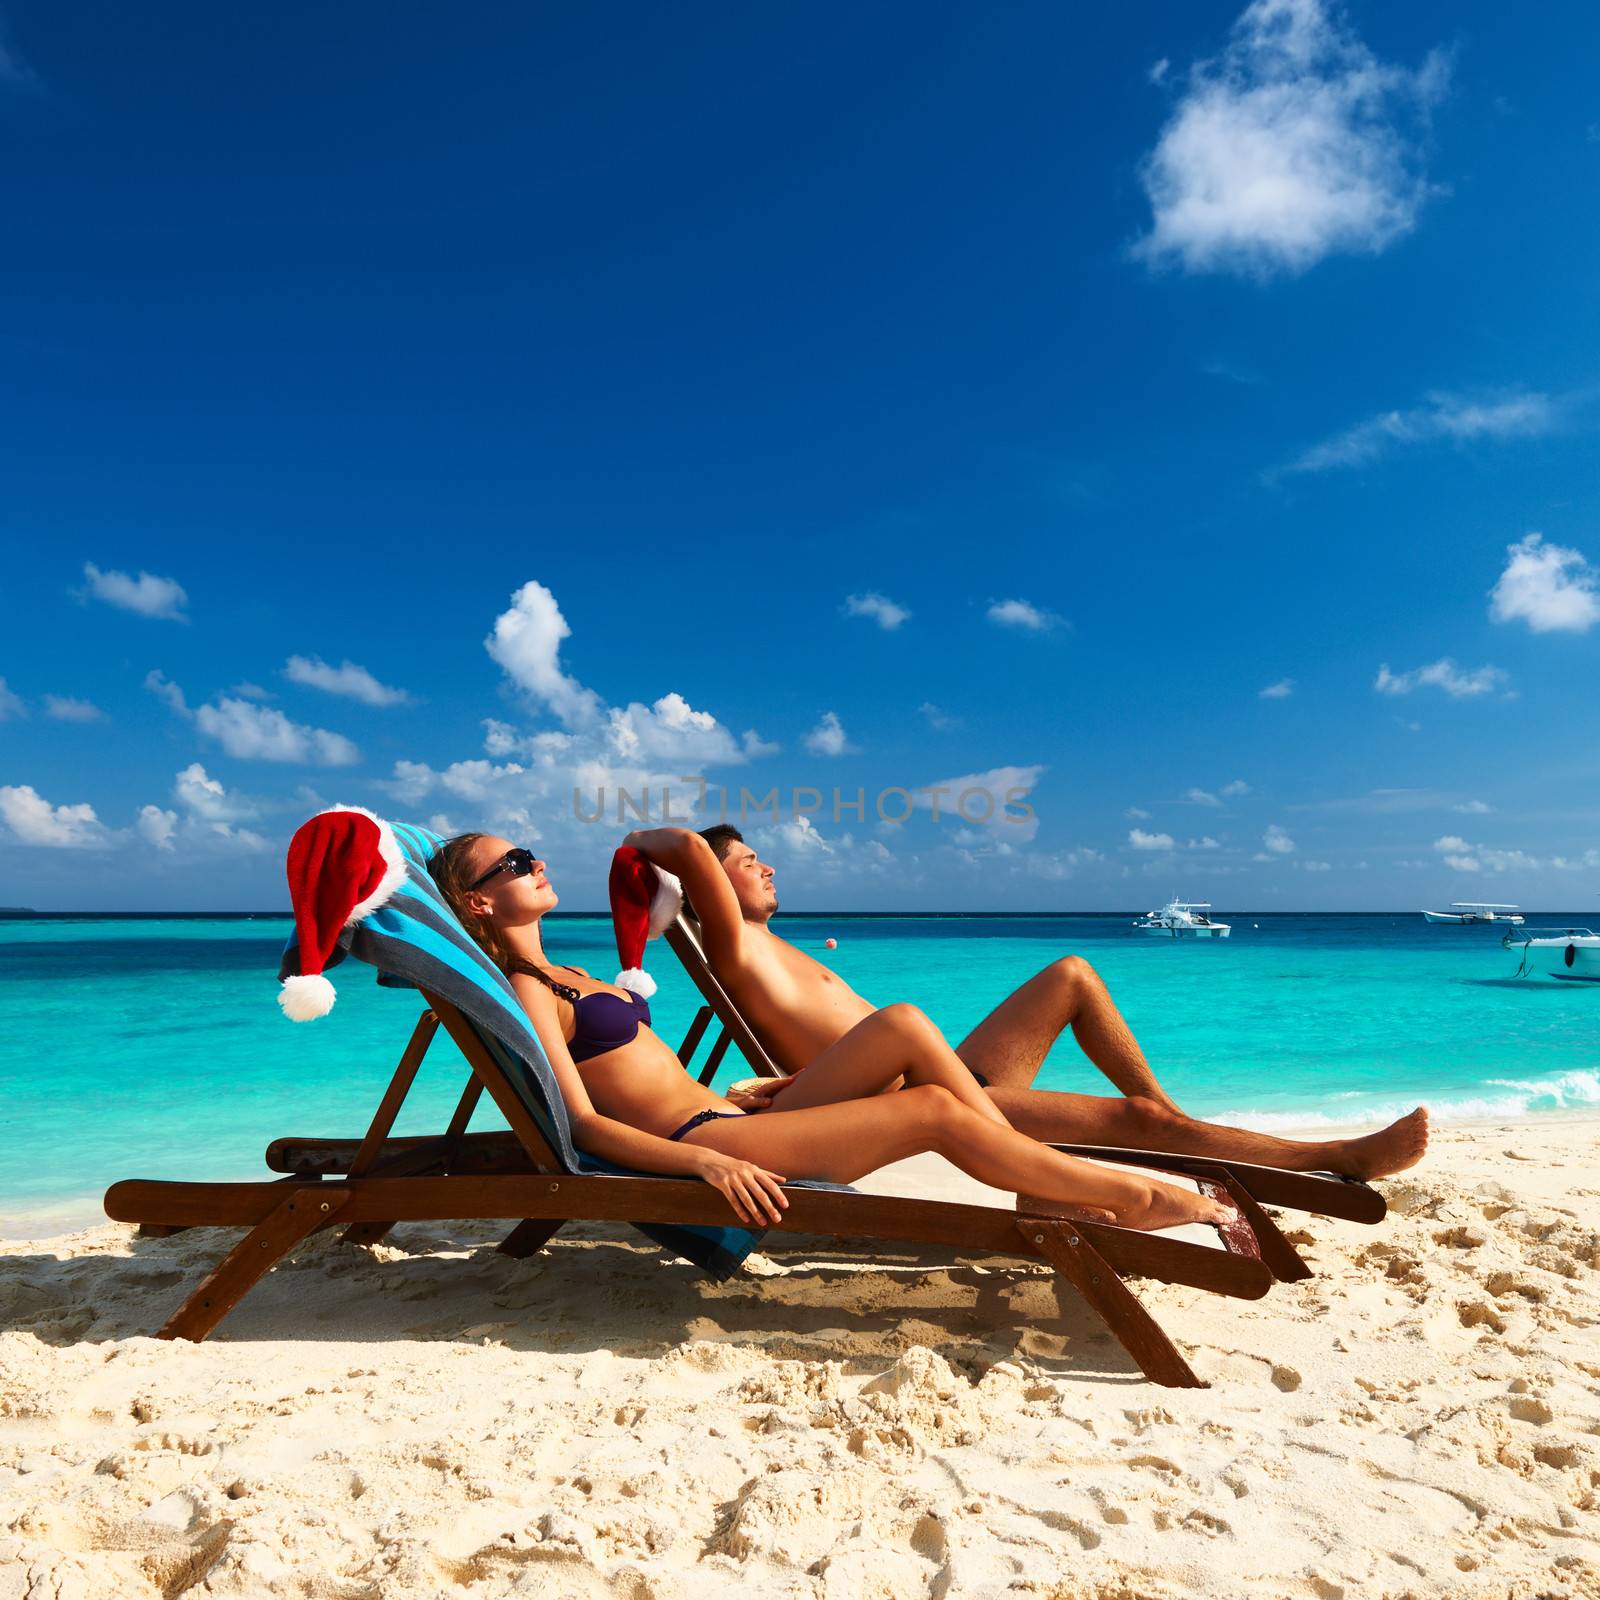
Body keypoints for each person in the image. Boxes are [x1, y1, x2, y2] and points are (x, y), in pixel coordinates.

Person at [426, 832, 1238, 1233]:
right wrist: (706, 1159)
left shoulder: (582, 978)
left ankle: (1048, 1182)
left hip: (740, 1117)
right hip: (714, 1144)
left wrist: (755, 1092)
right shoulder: (532, 989)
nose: (534, 863)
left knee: (905, 1026)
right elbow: (584, 1124)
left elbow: (646, 1073)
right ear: (479, 905)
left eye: (529, 852)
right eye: (514, 862)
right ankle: (1124, 1192)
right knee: (937, 1113)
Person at [622, 825, 1430, 1181]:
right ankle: (1334, 1159)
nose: (768, 868)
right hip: (915, 1100)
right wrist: (636, 854)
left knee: (1074, 972)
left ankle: (1170, 1125)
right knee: (1132, 1125)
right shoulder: (732, 947)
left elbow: (822, 1049)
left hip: (939, 1078)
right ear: (706, 888)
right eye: (749, 860)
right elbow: (687, 848)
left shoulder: (782, 946)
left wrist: (789, 1084)